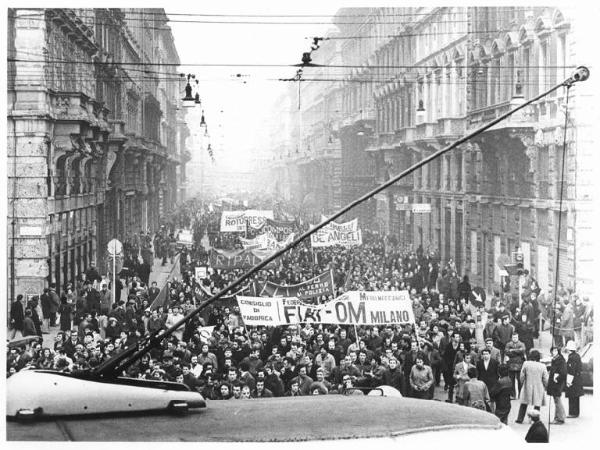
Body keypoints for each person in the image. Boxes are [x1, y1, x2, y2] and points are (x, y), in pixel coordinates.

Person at [515, 349, 548, 423]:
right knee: (537, 404)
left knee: (524, 403)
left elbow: (522, 376)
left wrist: (522, 383)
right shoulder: (542, 366)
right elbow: (545, 379)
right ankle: (535, 419)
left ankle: (520, 419)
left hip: (527, 385)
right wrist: (546, 386)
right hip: (538, 387)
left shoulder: (526, 364)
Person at [547, 346, 567, 424]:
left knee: (557, 399)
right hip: (555, 383)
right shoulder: (555, 359)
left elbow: (564, 373)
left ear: (558, 351)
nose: (554, 352)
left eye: (555, 351)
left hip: (558, 383)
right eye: (553, 351)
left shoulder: (560, 360)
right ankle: (558, 417)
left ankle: (560, 418)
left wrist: (557, 378)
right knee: (556, 399)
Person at [564, 340, 583, 418]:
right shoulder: (577, 356)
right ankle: (576, 412)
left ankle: (572, 413)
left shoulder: (571, 357)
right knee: (576, 397)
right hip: (578, 378)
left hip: (572, 379)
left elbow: (571, 370)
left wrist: (568, 381)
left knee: (572, 396)